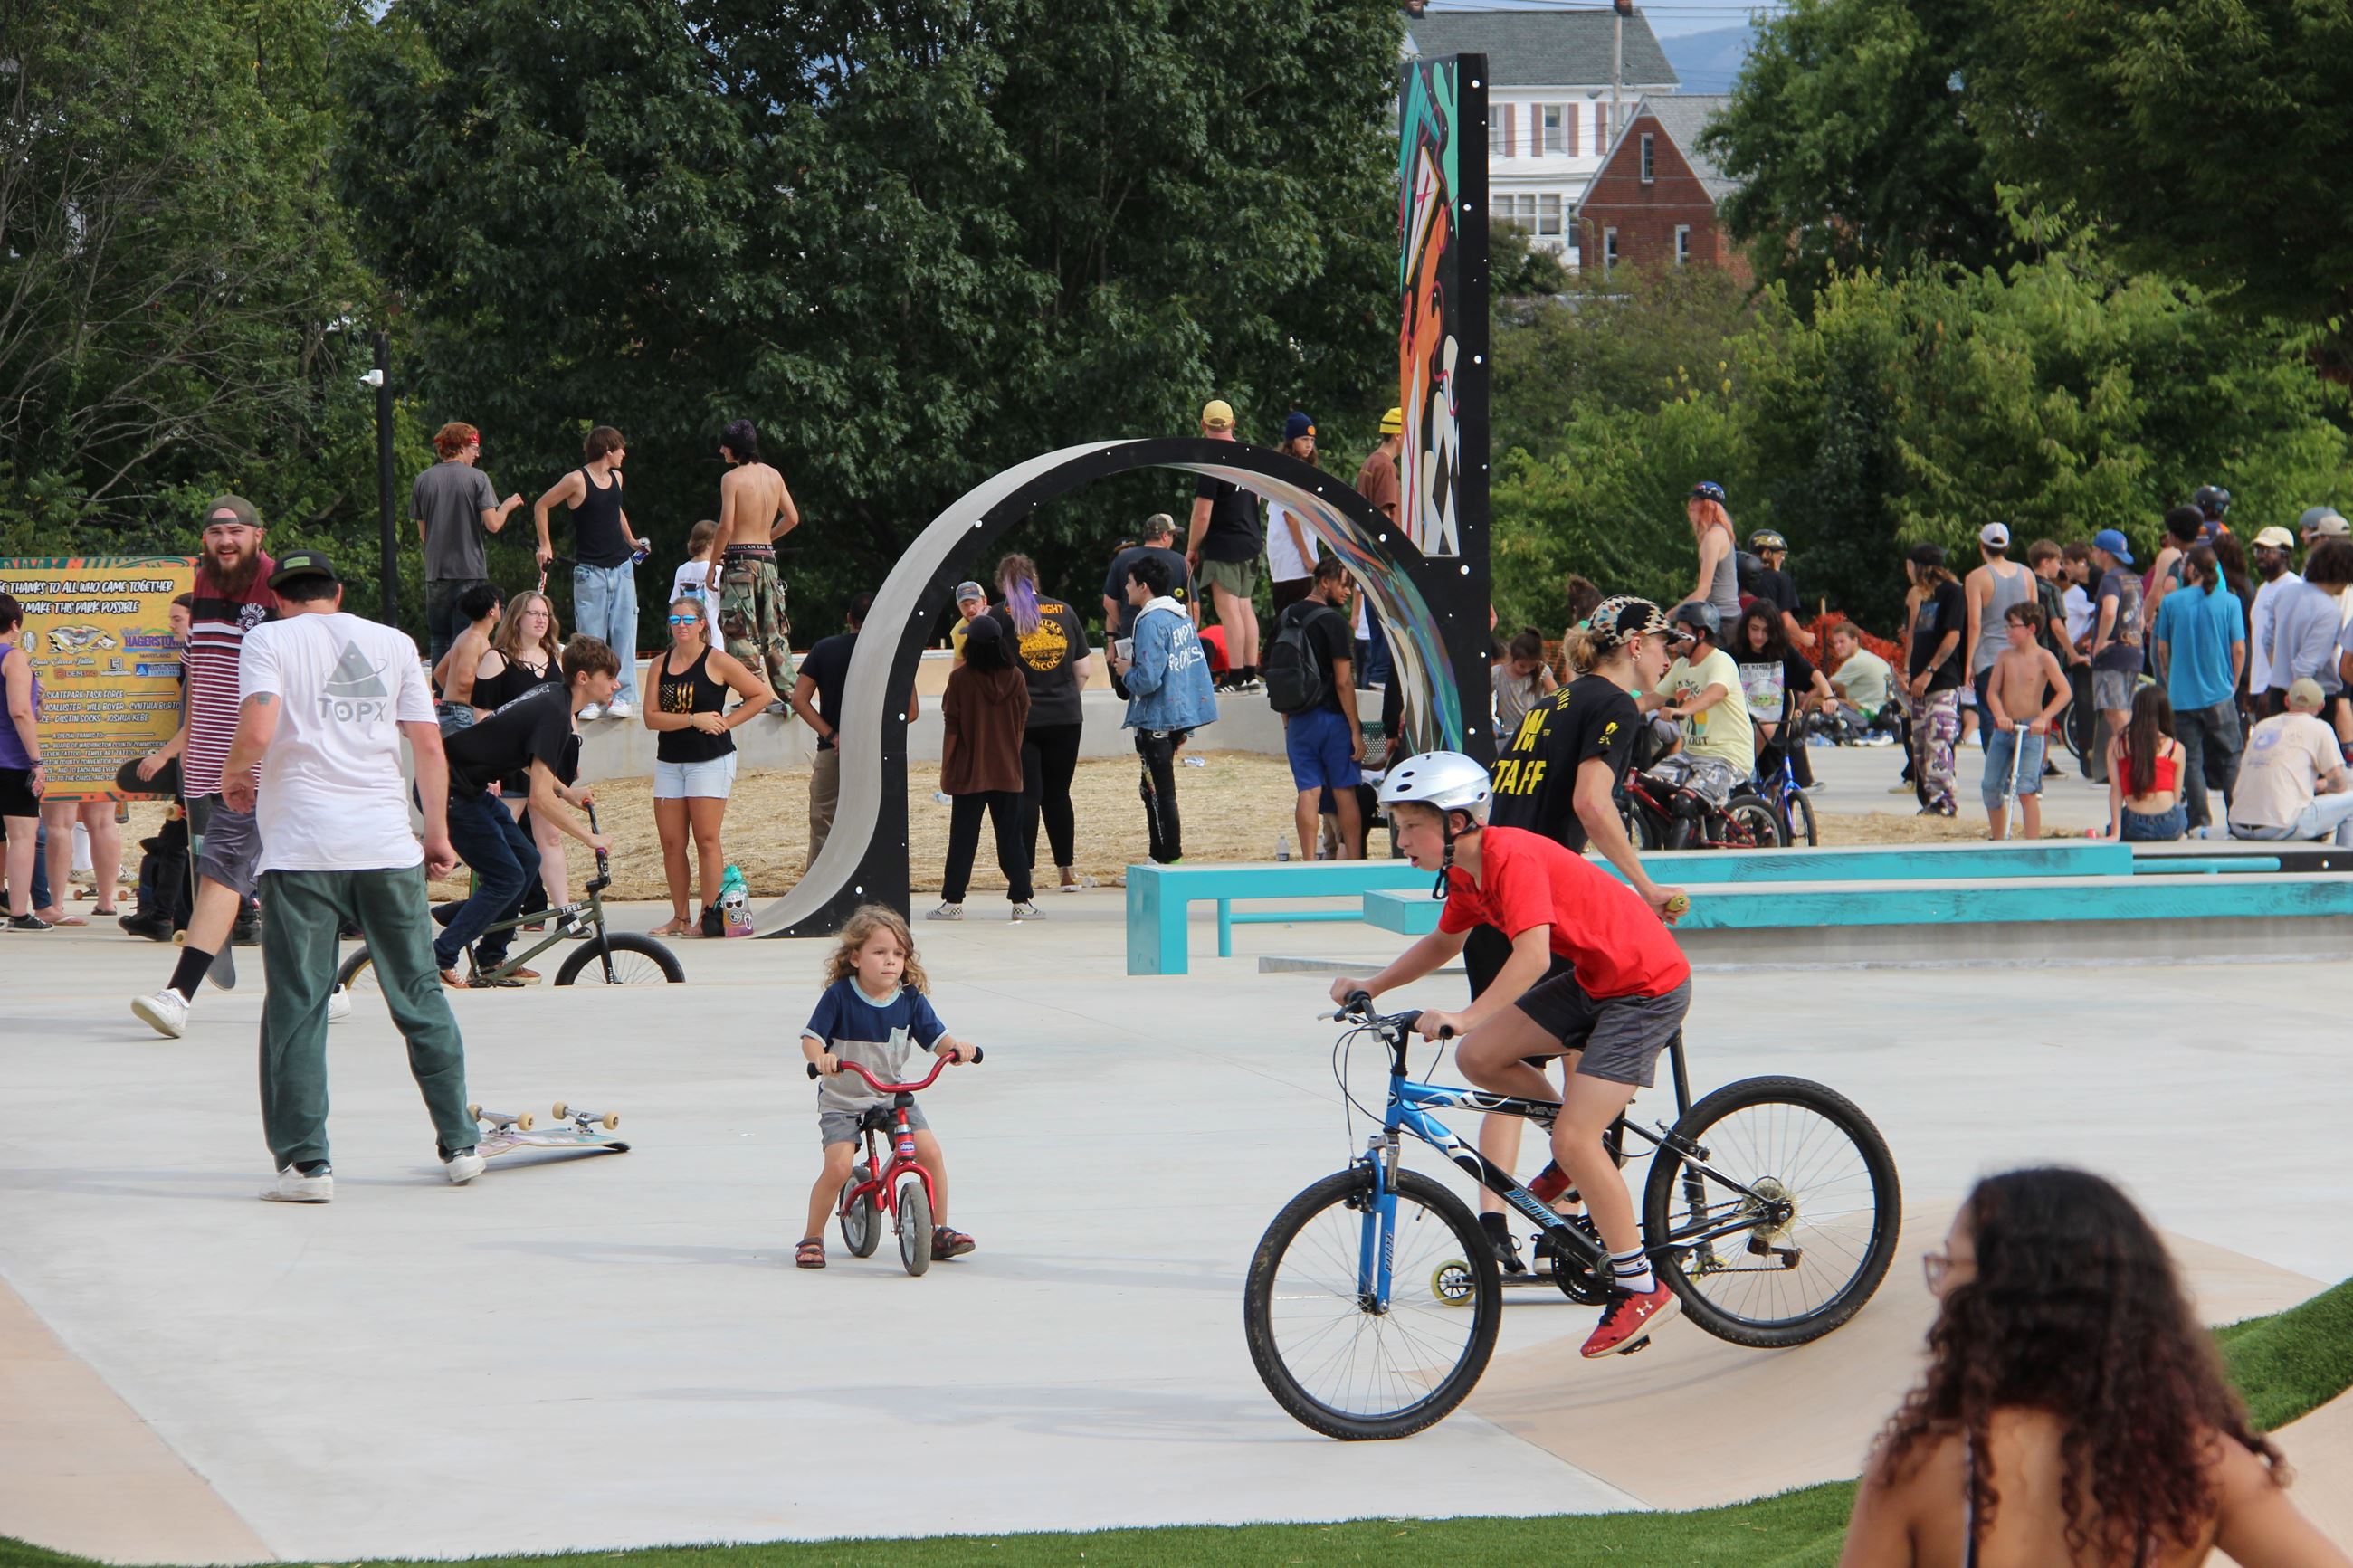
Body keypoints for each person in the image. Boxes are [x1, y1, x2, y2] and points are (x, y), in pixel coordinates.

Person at [1329, 752, 1693, 1360]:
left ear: (1458, 822)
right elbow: (1445, 940)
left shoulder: (1509, 856)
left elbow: (1530, 955)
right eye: (1397, 825)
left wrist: (1464, 1013)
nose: (1400, 840)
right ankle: (1572, 1148)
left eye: (1411, 826)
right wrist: (1375, 985)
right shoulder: (1468, 875)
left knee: (1573, 1135)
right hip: (1597, 979)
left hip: (1646, 986)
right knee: (1481, 1057)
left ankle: (1640, 1285)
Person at [1839, 1166, 2346, 1568]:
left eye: (1950, 1264)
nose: (1941, 1284)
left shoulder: (1922, 1465)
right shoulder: (2196, 1466)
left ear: (2004, 1290)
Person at [213, 549, 483, 1201]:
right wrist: (438, 832)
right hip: (385, 844)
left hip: (303, 849)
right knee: (418, 992)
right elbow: (427, 744)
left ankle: (308, 1165)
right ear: (337, 591)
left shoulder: (268, 639)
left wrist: (231, 772)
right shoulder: (393, 643)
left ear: (280, 597)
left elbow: (258, 725)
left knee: (299, 1004)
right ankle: (461, 1143)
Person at [1480, 599, 1687, 1267]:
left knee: (1501, 1064)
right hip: (1541, 911)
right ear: (1631, 642)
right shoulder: (1615, 706)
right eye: (1661, 642)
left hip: (1497, 904)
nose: (1668, 654)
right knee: (1584, 1078)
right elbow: (1591, 804)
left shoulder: (1553, 701)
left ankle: (1495, 1225)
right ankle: (1577, 1227)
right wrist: (1645, 886)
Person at [129, 497, 278, 1038]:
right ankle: (326, 988)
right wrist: (193, 760)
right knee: (245, 874)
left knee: (239, 874)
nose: (225, 540)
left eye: (235, 531)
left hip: (268, 761)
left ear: (258, 536)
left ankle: (178, 995)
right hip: (216, 762)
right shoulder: (205, 584)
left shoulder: (277, 585)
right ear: (204, 542)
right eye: (216, 532)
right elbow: (203, 686)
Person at [796, 906, 978, 1269]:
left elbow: (938, 1039)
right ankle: (812, 1237)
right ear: (855, 957)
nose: (890, 962)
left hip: (892, 1094)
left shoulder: (910, 999)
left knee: (929, 1153)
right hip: (843, 1098)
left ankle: (938, 1230)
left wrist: (956, 1050)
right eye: (879, 953)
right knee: (838, 1167)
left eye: (898, 954)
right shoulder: (840, 996)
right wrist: (821, 1059)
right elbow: (811, 1039)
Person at [435, 636, 617, 987]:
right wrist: (588, 837)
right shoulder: (555, 715)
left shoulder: (553, 696)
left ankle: (490, 959)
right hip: (448, 790)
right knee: (507, 877)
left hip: (466, 787)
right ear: (583, 678)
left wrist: (566, 792)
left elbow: (527, 762)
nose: (616, 684)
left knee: (526, 862)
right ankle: (440, 955)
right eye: (609, 676)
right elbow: (538, 800)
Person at [643, 596, 774, 938]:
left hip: (710, 759)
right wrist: (692, 718)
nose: (681, 626)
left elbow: (760, 695)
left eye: (688, 619)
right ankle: (679, 916)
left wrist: (727, 722)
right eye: (675, 620)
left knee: (705, 839)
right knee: (671, 842)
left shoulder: (716, 660)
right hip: (671, 761)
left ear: (702, 624)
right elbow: (651, 718)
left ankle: (708, 916)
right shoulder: (660, 664)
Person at [792, 595, 922, 869]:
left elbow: (799, 701)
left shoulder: (824, 649)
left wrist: (834, 735)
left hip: (832, 749)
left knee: (823, 821)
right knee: (874, 818)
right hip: (877, 751)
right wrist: (869, 736)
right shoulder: (892, 651)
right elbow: (911, 711)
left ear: (849, 619)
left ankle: (820, 883)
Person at [991, 555, 1092, 894]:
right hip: (1065, 715)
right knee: (1059, 794)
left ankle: (1026, 871)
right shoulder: (1064, 611)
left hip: (1021, 718)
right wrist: (1063, 696)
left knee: (1026, 796)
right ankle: (1067, 871)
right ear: (1035, 578)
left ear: (1003, 583)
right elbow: (1084, 670)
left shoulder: (998, 615)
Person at [471, 589, 573, 916]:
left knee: (551, 837)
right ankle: (494, 915)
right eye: (534, 613)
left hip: (546, 761)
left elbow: (567, 711)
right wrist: (491, 767)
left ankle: (564, 913)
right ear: (517, 618)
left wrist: (572, 752)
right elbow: (483, 716)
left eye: (545, 614)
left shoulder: (557, 657)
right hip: (510, 760)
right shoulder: (496, 658)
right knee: (501, 839)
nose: (541, 619)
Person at [1111, 553, 1216, 865]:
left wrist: (1125, 671)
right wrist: (1184, 726)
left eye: (1129, 583)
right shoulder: (1180, 616)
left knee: (1159, 793)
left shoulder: (1150, 621)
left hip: (1155, 720)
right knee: (1154, 789)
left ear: (1143, 586)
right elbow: (1188, 671)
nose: (1126, 588)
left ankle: (1168, 857)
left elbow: (1148, 679)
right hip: (1174, 718)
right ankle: (1160, 855)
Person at [531, 425, 643, 718]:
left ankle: (624, 696)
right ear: (608, 449)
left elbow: (615, 509)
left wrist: (631, 540)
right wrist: (546, 544)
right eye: (620, 448)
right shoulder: (576, 480)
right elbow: (542, 504)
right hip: (590, 571)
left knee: (625, 634)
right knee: (592, 639)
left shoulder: (617, 477)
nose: (624, 454)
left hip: (622, 568)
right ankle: (588, 698)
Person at [929, 615, 1034, 922]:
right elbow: (1023, 717)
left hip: (969, 771)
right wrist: (1010, 751)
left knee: (962, 837)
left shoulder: (960, 679)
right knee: (1011, 837)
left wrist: (947, 767)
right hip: (1007, 769)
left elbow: (952, 725)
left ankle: (953, 902)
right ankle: (1021, 900)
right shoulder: (1015, 676)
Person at [1272, 556, 1365, 860]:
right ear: (1326, 581)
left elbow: (1279, 677)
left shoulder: (1285, 617)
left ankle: (1308, 863)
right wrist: (1355, 729)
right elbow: (1343, 683)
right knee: (1344, 791)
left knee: (1308, 792)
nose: (1348, 591)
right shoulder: (1334, 622)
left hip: (1298, 721)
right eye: (1344, 583)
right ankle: (1353, 862)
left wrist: (1288, 723)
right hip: (1333, 720)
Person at [2152, 545, 2246, 832]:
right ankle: (2238, 817)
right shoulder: (2229, 602)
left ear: (2190, 569)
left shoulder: (2171, 602)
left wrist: (2168, 676)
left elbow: (2162, 647)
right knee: (2231, 755)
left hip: (2181, 696)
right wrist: (2235, 681)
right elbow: (2239, 648)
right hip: (2219, 693)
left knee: (2191, 758)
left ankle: (2199, 820)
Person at [414, 422, 523, 666]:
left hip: (436, 572)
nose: (476, 455)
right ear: (462, 447)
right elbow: (493, 524)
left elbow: (424, 535)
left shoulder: (423, 480)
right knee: (467, 635)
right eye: (474, 448)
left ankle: (441, 694)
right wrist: (506, 506)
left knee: (439, 637)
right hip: (469, 570)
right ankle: (461, 693)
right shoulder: (478, 479)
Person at [711, 418, 799, 705]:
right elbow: (793, 518)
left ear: (734, 449)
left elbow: (725, 526)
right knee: (773, 628)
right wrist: (769, 538)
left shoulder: (731, 479)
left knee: (740, 630)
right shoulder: (773, 475)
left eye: (725, 446)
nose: (722, 450)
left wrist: (712, 565)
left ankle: (755, 693)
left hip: (739, 562)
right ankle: (789, 692)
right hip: (767, 560)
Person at [1186, 399, 1263, 690]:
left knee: (1228, 609)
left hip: (1225, 544)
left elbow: (1203, 513)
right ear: (1233, 424)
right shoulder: (1248, 457)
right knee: (1245, 607)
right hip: (1251, 540)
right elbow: (1257, 497)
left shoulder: (1211, 464)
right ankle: (1252, 674)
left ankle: (1235, 676)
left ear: (1203, 425)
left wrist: (1192, 548)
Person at [1980, 604, 2071, 842]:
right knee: (1990, 786)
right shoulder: (2004, 657)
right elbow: (1992, 693)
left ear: (2031, 628)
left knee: (2027, 790)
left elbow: (2064, 692)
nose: (2007, 630)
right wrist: (2000, 715)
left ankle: (2033, 844)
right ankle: (1998, 839)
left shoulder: (2044, 658)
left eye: (2013, 626)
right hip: (2004, 730)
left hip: (2031, 730)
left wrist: (2043, 718)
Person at [2229, 679, 2353, 845]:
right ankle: (2345, 862)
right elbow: (2339, 783)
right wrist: (2322, 785)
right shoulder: (2319, 728)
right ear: (2321, 705)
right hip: (2280, 826)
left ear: (2287, 701)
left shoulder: (2262, 727)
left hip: (2238, 824)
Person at [1645, 601, 1754, 775]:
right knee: (1650, 785)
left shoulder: (1720, 661)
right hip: (1691, 755)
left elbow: (1715, 693)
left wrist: (1682, 710)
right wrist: (1618, 707)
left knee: (1687, 801)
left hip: (1727, 757)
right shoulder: (1681, 665)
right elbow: (1651, 698)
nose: (1677, 636)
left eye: (1683, 632)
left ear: (1701, 634)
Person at [1732, 603, 1831, 777]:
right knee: (1764, 730)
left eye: (1765, 630)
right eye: (1754, 629)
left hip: (1777, 727)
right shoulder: (1733, 653)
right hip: (1741, 727)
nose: (1759, 636)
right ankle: (1742, 774)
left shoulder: (1783, 653)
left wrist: (1829, 696)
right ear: (1745, 628)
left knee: (1776, 779)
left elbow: (1813, 673)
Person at [1906, 543, 1968, 817]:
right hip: (1919, 683)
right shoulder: (1923, 596)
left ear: (1919, 567)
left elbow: (1953, 635)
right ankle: (1931, 799)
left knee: (1939, 740)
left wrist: (1928, 671)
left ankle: (1945, 801)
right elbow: (1913, 635)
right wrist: (1908, 671)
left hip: (1941, 679)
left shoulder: (1952, 593)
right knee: (1920, 744)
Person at [2264, 539, 2353, 720]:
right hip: (2310, 699)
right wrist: (2302, 703)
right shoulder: (2329, 611)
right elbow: (2305, 667)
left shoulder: (2286, 592)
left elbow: (2268, 642)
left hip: (2277, 690)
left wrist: (2281, 674)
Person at [2088, 528, 2147, 779]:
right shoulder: (2133, 578)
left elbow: (2110, 611)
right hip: (2133, 650)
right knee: (2127, 709)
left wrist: (2099, 642)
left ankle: (2134, 767)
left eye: (2095, 549)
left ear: (2104, 553)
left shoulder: (2110, 580)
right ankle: (2133, 763)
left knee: (2116, 713)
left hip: (2112, 655)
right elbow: (2141, 619)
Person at [0, 594, 44, 930]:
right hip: (10, 759)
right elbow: (19, 711)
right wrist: (36, 761)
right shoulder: (14, 659)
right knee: (23, 834)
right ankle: (18, 912)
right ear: (14, 625)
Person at [1964, 523, 2036, 724]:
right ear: (2007, 546)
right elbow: (2035, 618)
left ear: (1982, 545)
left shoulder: (1976, 578)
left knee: (1993, 719)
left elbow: (1975, 624)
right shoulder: (2027, 574)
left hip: (1989, 658)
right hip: (2022, 657)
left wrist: (1968, 663)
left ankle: (1997, 756)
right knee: (2022, 719)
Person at [2108, 686, 2187, 842]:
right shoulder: (2175, 748)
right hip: (2169, 824)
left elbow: (2115, 790)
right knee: (2182, 812)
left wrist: (2115, 832)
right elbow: (2176, 799)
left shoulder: (2118, 743)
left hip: (2135, 825)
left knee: (2112, 824)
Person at [1266, 412, 1322, 613]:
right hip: (1293, 560)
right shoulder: (1289, 472)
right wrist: (1307, 557)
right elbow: (1290, 516)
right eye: (1304, 439)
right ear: (1292, 441)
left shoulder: (1294, 470)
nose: (1309, 445)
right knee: (1292, 618)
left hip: (1292, 561)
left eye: (1312, 440)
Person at [1103, 515, 1193, 641]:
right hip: (1172, 636)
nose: (1173, 540)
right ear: (1164, 536)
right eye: (1173, 535)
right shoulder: (1181, 561)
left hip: (1132, 635)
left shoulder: (1122, 558)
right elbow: (1193, 605)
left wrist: (1125, 625)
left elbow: (1108, 602)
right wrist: (1189, 635)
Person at [429, 583, 502, 730]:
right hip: (460, 715)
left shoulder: (468, 636)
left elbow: (439, 672)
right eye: (498, 604)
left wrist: (453, 698)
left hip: (457, 712)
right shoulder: (473, 639)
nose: (501, 607)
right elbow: (464, 680)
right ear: (491, 611)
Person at [1822, 622, 1896, 743]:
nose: (1837, 646)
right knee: (1836, 694)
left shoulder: (1854, 662)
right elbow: (1840, 688)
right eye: (1835, 643)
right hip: (1885, 713)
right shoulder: (1868, 657)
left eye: (1842, 642)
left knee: (1818, 700)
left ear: (1855, 640)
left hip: (1868, 716)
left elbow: (1823, 686)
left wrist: (1803, 702)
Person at [1685, 481, 1743, 626]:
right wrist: (1671, 614)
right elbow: (1701, 591)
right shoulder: (1718, 532)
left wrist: (1684, 622)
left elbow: (1704, 591)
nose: (1691, 505)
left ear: (1709, 506)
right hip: (1725, 617)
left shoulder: (1713, 537)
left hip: (1722, 620)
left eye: (1697, 500)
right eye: (1692, 499)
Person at [1747, 529, 1814, 652]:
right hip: (1770, 645)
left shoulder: (1742, 577)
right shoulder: (1781, 579)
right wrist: (1803, 637)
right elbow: (1786, 620)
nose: (1782, 559)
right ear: (1767, 553)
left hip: (1744, 642)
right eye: (1780, 554)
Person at [2142, 505, 2205, 632]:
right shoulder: (2207, 558)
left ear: (2174, 536)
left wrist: (2142, 622)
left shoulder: (2184, 562)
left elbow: (2156, 595)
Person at [669, 518, 724, 646]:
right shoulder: (717, 571)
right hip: (712, 639)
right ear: (711, 543)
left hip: (686, 636)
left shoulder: (681, 570)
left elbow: (674, 603)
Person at [1493, 628, 1558, 734]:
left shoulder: (1541, 670)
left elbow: (1558, 696)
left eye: (1532, 666)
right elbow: (1481, 699)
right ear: (1512, 656)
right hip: (1510, 731)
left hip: (1534, 730)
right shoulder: (1498, 673)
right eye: (1522, 666)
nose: (1527, 670)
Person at [1355, 407, 1404, 526]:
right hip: (1384, 542)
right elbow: (1384, 513)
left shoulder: (1370, 461)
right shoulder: (1386, 467)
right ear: (1397, 435)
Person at [948, 580, 989, 663]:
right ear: (958, 607)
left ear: (984, 601)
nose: (970, 609)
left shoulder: (1001, 618)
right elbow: (959, 663)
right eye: (965, 605)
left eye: (973, 603)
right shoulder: (958, 632)